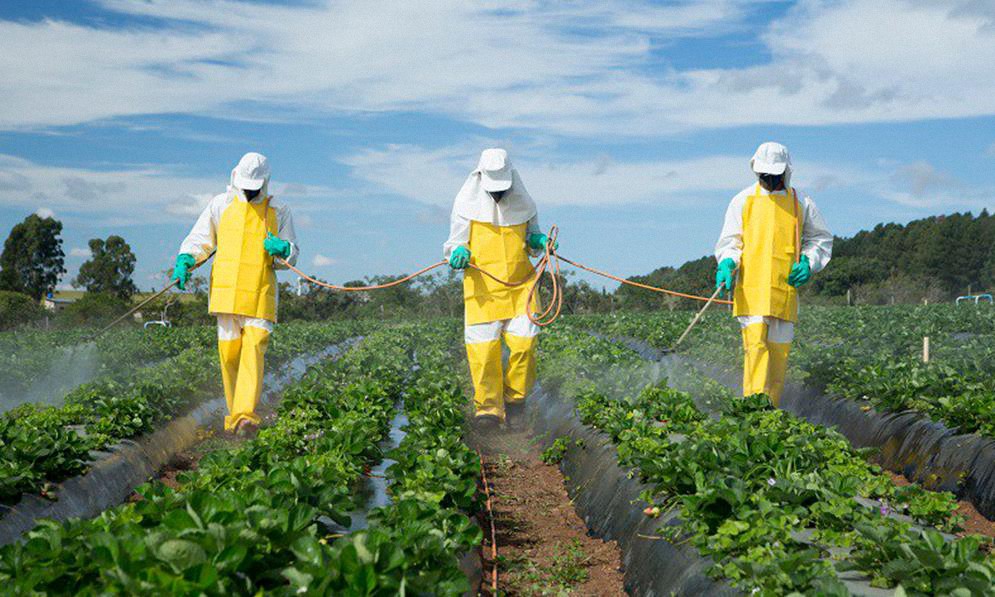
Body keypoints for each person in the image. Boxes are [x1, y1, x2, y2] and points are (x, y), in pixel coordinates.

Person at [172, 152, 298, 436]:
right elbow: (200, 239)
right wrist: (185, 260)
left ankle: (245, 417)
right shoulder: (221, 204)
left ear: (265, 182)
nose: (250, 189)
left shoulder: (279, 210)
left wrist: (283, 249)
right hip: (226, 293)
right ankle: (235, 417)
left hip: (259, 291)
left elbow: (291, 254)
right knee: (229, 354)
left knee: (254, 348)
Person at [714, 142, 832, 407]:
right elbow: (731, 242)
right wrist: (727, 264)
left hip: (784, 291)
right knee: (755, 351)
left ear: (785, 172)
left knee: (778, 358)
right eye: (764, 175)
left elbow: (820, 239)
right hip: (752, 291)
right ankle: (752, 412)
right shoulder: (742, 200)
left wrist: (808, 262)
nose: (769, 180)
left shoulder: (801, 202)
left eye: (774, 175)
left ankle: (771, 412)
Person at [444, 148, 555, 428]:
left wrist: (539, 241)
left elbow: (531, 239)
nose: (498, 195)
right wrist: (458, 253)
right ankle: (489, 411)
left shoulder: (524, 203)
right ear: (480, 178)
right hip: (483, 289)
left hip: (521, 287)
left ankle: (516, 401)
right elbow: (455, 243)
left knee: (524, 345)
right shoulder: (465, 204)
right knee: (484, 353)